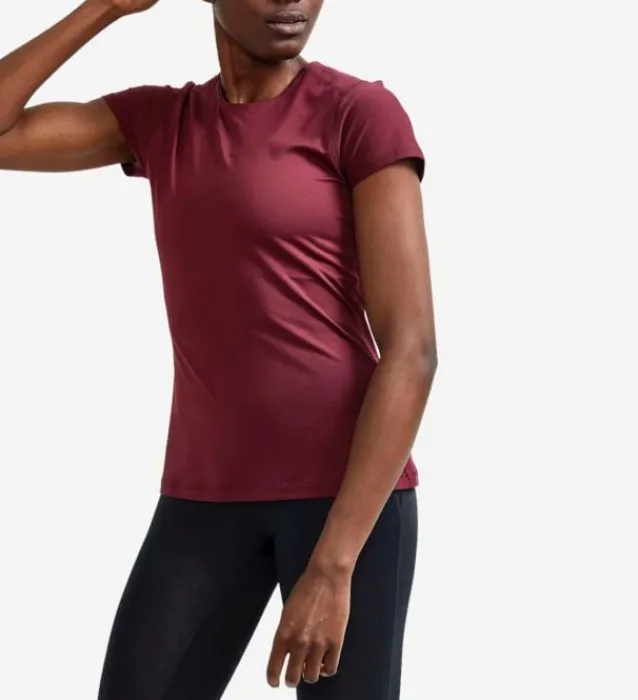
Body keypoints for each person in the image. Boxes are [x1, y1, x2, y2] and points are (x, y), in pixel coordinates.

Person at [0, 0, 437, 697]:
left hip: (350, 502)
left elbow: (412, 348)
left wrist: (334, 566)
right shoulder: (162, 122)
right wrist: (107, 7)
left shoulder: (358, 113)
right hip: (205, 498)